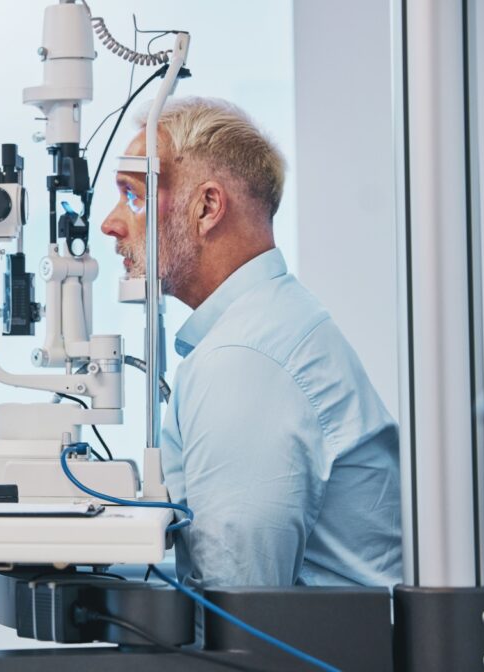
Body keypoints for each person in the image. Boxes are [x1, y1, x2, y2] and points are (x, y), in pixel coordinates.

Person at [100, 97, 402, 594]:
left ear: (207, 207)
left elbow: (239, 615)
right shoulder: (265, 325)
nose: (110, 223)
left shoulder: (245, 360)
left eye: (133, 197)